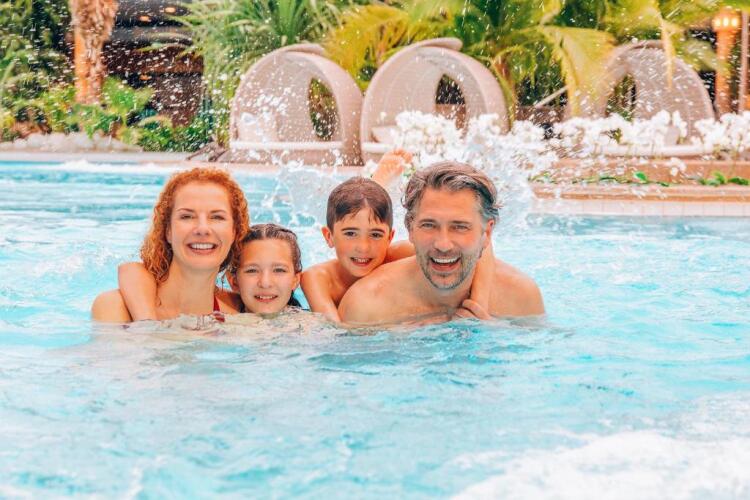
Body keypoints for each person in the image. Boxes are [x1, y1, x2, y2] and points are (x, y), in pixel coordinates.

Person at [338, 161, 544, 325]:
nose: (443, 245)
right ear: (410, 229)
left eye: (460, 227)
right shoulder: (368, 305)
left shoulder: (520, 298)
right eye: (429, 225)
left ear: (487, 233)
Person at [91, 167, 250, 322]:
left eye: (217, 217)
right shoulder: (116, 307)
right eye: (187, 216)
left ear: (234, 232)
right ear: (168, 231)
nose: (202, 229)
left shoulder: (237, 323)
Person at [227, 223, 303, 314]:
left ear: (295, 280)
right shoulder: (218, 320)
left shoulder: (313, 321)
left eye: (279, 270)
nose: (265, 283)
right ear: (234, 282)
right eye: (252, 270)